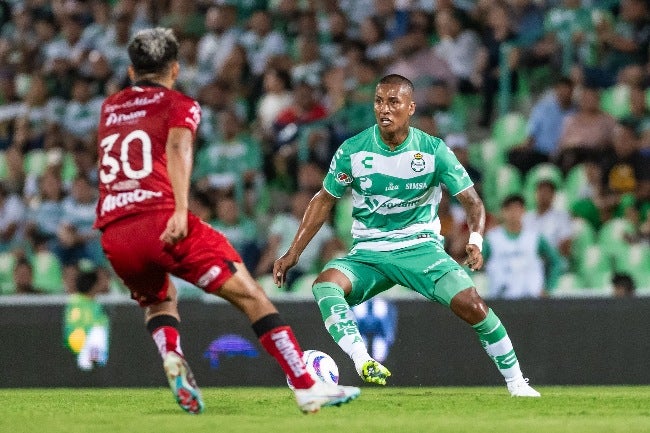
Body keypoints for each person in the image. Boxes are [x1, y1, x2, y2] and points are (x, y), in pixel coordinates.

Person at [94, 28, 359, 415]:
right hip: (163, 221)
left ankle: (172, 354)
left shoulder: (110, 108)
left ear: (132, 72)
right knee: (252, 295)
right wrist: (182, 209)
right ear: (175, 69)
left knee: (159, 297)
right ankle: (306, 387)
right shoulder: (179, 103)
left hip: (116, 232)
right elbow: (179, 146)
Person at [273, 74, 541, 397]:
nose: (384, 109)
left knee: (473, 305)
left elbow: (472, 201)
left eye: (393, 102)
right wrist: (294, 252)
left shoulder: (433, 152)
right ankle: (361, 360)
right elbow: (324, 200)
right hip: (369, 253)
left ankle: (517, 382)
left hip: (421, 249)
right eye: (378, 101)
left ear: (410, 108)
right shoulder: (352, 151)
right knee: (325, 284)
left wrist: (475, 239)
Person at [484, 194, 564, 299]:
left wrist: (548, 288)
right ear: (503, 212)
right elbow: (473, 263)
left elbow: (556, 262)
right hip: (501, 299)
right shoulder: (492, 239)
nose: (513, 214)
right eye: (509, 209)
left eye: (517, 209)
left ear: (523, 211)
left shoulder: (535, 238)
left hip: (532, 298)